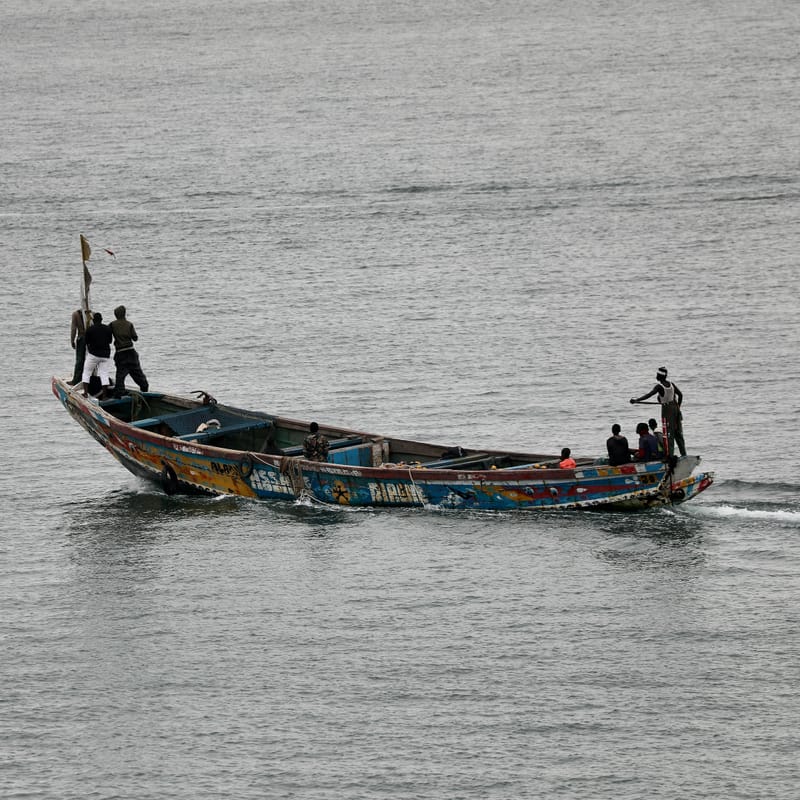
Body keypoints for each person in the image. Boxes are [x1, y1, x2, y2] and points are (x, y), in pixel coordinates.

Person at [630, 366, 686, 457]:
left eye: (657, 374)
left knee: (669, 434)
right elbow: (680, 395)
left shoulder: (659, 386)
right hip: (675, 409)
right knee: (678, 433)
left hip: (667, 410)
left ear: (660, 376)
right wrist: (678, 407)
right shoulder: (671, 384)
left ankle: (670, 457)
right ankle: (684, 455)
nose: (656, 376)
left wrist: (637, 400)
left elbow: (649, 395)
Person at [110, 305, 149, 396]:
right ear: (124, 314)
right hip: (131, 352)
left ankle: (119, 393)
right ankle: (145, 389)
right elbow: (135, 338)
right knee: (137, 373)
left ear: (116, 315)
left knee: (120, 375)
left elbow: (108, 338)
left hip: (120, 353)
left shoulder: (112, 325)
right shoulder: (129, 324)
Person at [81, 312, 114, 399]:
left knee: (86, 372)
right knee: (104, 374)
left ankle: (85, 393)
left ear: (93, 320)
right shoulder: (107, 329)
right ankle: (105, 396)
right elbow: (110, 341)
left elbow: (86, 342)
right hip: (105, 355)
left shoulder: (90, 329)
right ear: (101, 320)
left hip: (93, 355)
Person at [68, 308, 87, 385]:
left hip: (82, 338)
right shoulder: (91, 313)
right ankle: (87, 377)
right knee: (89, 360)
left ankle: (76, 379)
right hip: (91, 338)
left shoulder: (75, 314)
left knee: (80, 360)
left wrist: (72, 340)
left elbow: (73, 329)